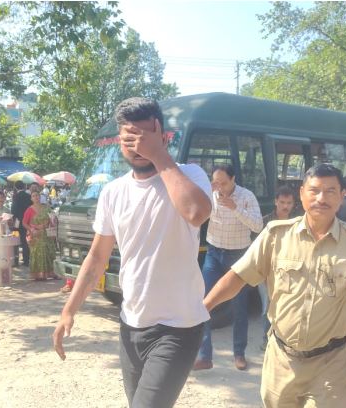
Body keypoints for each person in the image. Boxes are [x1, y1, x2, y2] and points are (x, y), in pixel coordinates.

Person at [53, 97, 212, 408]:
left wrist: (158, 154)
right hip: (131, 325)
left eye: (145, 136)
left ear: (162, 135)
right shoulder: (113, 192)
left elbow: (196, 213)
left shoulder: (190, 175)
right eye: (130, 138)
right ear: (119, 141)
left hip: (178, 326)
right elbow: (96, 258)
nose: (138, 146)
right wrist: (68, 311)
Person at [201, 163, 346, 407]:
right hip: (282, 360)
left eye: (330, 191)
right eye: (314, 190)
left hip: (333, 363)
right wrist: (202, 309)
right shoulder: (276, 235)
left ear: (341, 196)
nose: (321, 198)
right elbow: (238, 276)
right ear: (302, 194)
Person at [193, 164, 262, 372]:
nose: (219, 187)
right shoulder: (210, 194)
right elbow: (196, 214)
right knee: (203, 303)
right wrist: (207, 193)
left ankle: (239, 354)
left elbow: (258, 226)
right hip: (214, 253)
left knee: (239, 307)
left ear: (233, 179)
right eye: (216, 182)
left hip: (238, 256)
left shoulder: (246, 196)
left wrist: (235, 208)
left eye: (223, 183)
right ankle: (204, 355)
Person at [257, 185, 296, 351]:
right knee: (268, 306)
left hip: (290, 270)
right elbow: (258, 249)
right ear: (275, 202)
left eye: (289, 203)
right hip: (267, 270)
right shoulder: (265, 222)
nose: (285, 206)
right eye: (282, 202)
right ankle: (266, 340)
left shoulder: (297, 222)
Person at [22, 190, 57, 281]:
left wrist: (51, 223)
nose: (36, 197)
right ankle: (38, 275)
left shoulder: (46, 208)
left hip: (47, 234)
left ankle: (51, 273)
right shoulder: (29, 210)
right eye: (33, 196)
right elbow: (24, 223)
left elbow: (53, 218)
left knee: (49, 252)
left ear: (40, 197)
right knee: (37, 254)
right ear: (31, 199)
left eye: (37, 195)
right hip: (36, 235)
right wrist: (32, 229)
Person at [11, 181, 31, 268]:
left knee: (15, 240)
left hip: (17, 221)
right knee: (25, 241)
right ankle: (26, 260)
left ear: (15, 187)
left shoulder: (15, 196)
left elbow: (13, 210)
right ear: (24, 186)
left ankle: (15, 261)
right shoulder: (28, 196)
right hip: (26, 221)